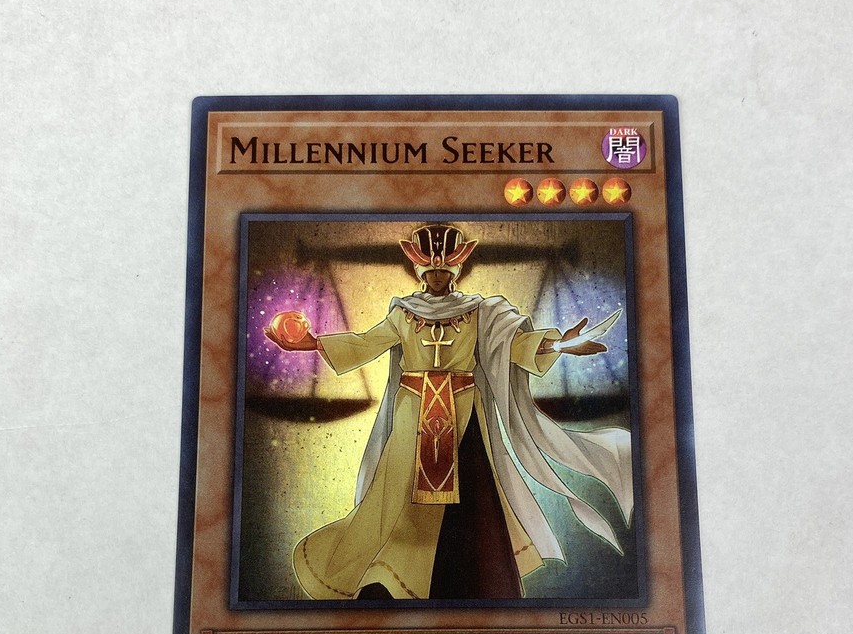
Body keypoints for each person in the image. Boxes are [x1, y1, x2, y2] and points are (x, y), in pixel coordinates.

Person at [265, 224, 632, 600]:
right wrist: (312, 343)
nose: (437, 276)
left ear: (456, 269)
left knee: (472, 498)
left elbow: (513, 344)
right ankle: (393, 581)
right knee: (395, 498)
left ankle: (476, 581)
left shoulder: (480, 312)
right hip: (413, 419)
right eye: (430, 270)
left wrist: (557, 345)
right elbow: (365, 344)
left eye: (443, 269)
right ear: (419, 271)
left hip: (464, 416)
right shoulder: (403, 314)